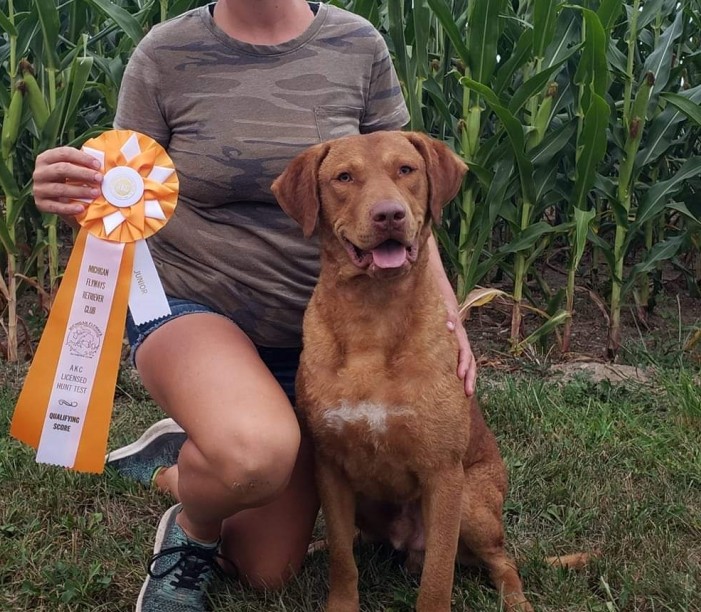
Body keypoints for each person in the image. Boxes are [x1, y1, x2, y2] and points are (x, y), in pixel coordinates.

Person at [31, 1, 477, 610]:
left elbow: (402, 191)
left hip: (322, 339)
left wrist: (448, 314)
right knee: (253, 456)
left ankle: (180, 461)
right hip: (197, 308)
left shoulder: (357, 44)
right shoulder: (165, 54)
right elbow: (119, 191)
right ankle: (194, 528)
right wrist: (71, 188)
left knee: (266, 569)